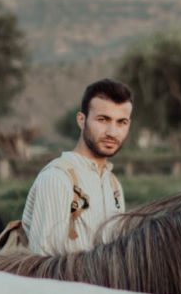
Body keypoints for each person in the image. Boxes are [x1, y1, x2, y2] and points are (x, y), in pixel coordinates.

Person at [21, 78, 133, 255]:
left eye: (121, 122)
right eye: (103, 119)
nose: (112, 132)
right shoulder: (57, 178)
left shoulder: (114, 186)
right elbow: (45, 267)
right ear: (82, 120)